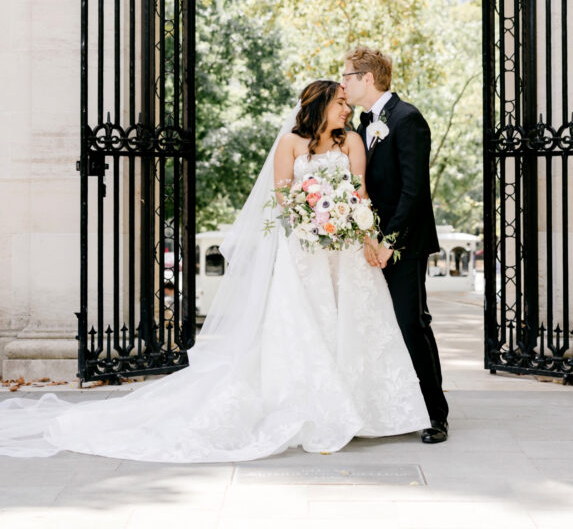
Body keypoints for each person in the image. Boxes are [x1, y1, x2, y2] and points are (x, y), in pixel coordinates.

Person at [0, 80, 429, 462]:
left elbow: (360, 192)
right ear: (318, 104)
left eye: (347, 104)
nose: (346, 110)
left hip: (345, 250)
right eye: (340, 102)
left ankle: (361, 408)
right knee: (308, 326)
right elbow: (280, 200)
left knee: (352, 325)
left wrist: (366, 235)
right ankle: (318, 408)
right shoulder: (290, 144)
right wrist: (311, 218)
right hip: (303, 248)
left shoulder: (350, 141)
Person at [342, 47, 449, 444]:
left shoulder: (408, 119)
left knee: (411, 324)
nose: (343, 83)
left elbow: (415, 191)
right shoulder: (359, 124)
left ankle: (436, 414)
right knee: (375, 325)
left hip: (404, 244)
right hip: (368, 246)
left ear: (367, 79)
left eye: (347, 76)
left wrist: (389, 243)